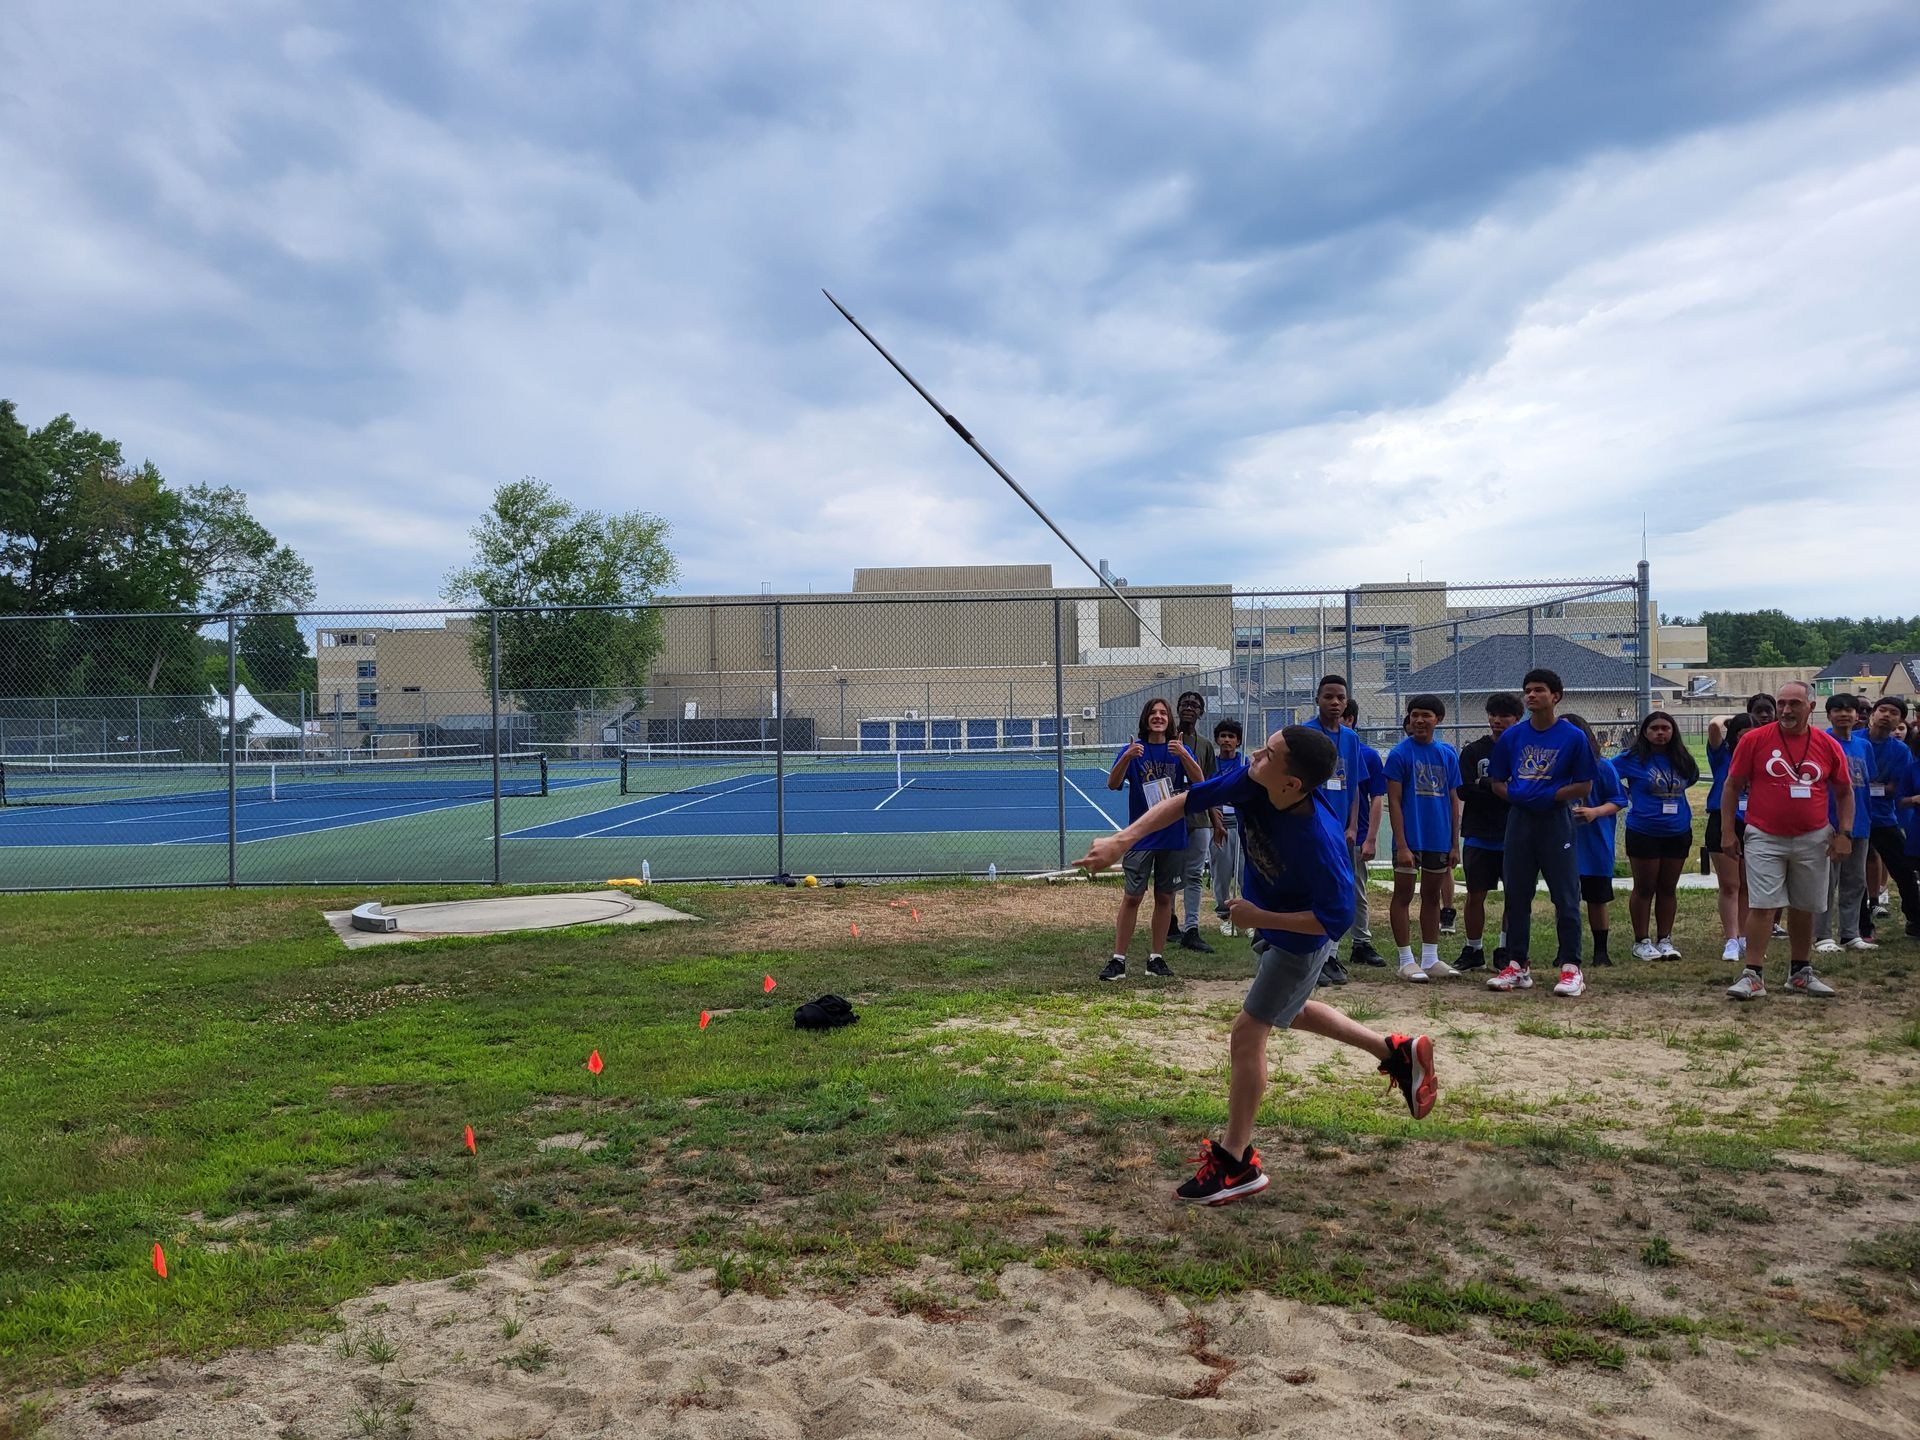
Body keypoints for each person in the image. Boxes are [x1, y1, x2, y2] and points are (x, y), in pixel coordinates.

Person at [1074, 725, 1437, 1206]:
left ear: (1291, 784)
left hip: (1298, 940)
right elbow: (1186, 801)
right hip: (1273, 925)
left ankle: (1235, 1162)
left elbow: (1332, 923)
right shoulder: (1255, 781)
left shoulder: (1321, 842)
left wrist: (1257, 916)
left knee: (1248, 1033)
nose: (1256, 756)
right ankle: (1395, 1051)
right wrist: (1123, 842)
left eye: (1270, 754)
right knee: (1295, 1008)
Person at [1721, 681, 1853, 1000]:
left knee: (1804, 907)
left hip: (1813, 836)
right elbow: (1732, 785)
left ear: (1811, 706)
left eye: (1794, 704)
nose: (1786, 710)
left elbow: (1844, 791)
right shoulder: (1754, 740)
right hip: (1764, 834)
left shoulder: (1827, 744)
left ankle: (1800, 972)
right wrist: (1727, 831)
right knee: (1764, 905)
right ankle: (1753, 975)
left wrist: (1844, 833)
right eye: (1781, 703)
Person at [1487, 669, 1596, 997]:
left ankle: (1571, 967)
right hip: (1520, 821)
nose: (1531, 695)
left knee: (1565, 896)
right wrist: (1518, 797)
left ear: (1556, 696)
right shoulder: (1513, 737)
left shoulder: (1572, 737)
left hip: (1555, 821)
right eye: (1527, 691)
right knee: (1517, 895)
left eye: (1538, 690)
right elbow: (1497, 781)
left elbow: (1584, 784)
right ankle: (1518, 965)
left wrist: (1550, 795)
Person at [1101, 698, 1204, 982]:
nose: (1158, 717)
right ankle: (1118, 960)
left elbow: (1200, 781)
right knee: (1133, 896)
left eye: (1163, 713)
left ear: (1169, 720)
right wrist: (1126, 757)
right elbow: (1112, 784)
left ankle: (1156, 958)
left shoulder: (1179, 749)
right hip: (1142, 836)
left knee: (1164, 897)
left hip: (1172, 835)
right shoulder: (1134, 750)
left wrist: (1184, 755)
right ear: (1146, 719)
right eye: (1153, 713)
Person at [1385, 694, 1463, 982]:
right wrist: (1402, 844)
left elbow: (1453, 800)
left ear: (1438, 720)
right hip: (1411, 840)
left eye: (1426, 715)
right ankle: (1406, 959)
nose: (1420, 720)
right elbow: (1393, 801)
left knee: (1432, 896)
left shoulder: (1447, 754)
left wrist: (1454, 844)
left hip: (1438, 839)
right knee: (1403, 895)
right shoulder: (1399, 755)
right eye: (1415, 714)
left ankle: (1430, 958)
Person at [1612, 710, 1700, 960]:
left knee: (1668, 888)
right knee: (1645, 887)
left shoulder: (1681, 758)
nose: (1660, 733)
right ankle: (1641, 941)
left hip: (1678, 830)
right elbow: (1605, 774)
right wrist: (1626, 793)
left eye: (1665, 728)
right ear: (1645, 732)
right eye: (1654, 728)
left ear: (1673, 732)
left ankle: (1665, 939)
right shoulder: (1632, 758)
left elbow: (1690, 778)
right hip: (1644, 830)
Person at [1305, 676, 1375, 982]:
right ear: (1317, 699)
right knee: (1312, 890)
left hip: (1341, 830)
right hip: (1311, 824)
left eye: (1340, 698)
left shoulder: (1351, 739)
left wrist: (1352, 827)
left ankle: (1329, 956)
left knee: (1339, 890)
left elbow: (1356, 788)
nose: (1334, 703)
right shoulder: (1305, 733)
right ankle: (1310, 958)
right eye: (1328, 697)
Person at [1455, 693, 1521, 972]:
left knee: (1514, 895)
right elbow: (1463, 789)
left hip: (1514, 833)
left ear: (1517, 719)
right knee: (1475, 894)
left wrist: (1488, 785)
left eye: (1504, 716)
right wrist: (1495, 787)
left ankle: (1505, 948)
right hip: (1478, 832)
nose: (1497, 720)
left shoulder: (1522, 749)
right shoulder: (1473, 751)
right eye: (1493, 715)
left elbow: (1523, 791)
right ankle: (1474, 948)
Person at [1705, 699, 1772, 961]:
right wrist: (1735, 718)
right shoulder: (1723, 754)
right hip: (1724, 820)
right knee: (1730, 885)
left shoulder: (1765, 756)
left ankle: (1745, 935)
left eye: (1752, 736)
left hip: (1755, 821)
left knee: (1748, 885)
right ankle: (1731, 939)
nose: (1747, 740)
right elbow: (1713, 725)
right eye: (1742, 736)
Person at [1813, 695, 1875, 954]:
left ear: (1857, 714)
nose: (1844, 714)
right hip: (1829, 823)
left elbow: (1866, 782)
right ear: (1828, 715)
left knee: (1856, 880)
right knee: (1826, 882)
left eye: (1849, 709)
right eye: (1837, 709)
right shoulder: (1822, 742)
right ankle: (1822, 935)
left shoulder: (1864, 746)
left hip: (1859, 823)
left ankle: (1850, 933)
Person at [1566, 714, 1623, 969]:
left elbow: (1618, 800)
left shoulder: (1603, 767)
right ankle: (1565, 949)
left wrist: (1595, 812)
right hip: (1564, 843)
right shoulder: (1555, 768)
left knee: (1597, 898)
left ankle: (1601, 951)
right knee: (1565, 900)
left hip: (1596, 844)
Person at [1862, 698, 1919, 939]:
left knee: (1904, 870)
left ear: (1900, 720)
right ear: (1873, 714)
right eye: (1882, 710)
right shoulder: (1854, 740)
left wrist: (1870, 786)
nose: (1886, 715)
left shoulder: (1900, 750)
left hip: (1884, 817)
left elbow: (1895, 788)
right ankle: (1861, 927)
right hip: (1853, 817)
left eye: (1893, 713)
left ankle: (1915, 920)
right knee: (1853, 875)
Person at [1171, 691, 1222, 956]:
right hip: (1171, 816)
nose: (1189, 708)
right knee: (1169, 873)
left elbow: (1210, 785)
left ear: (1201, 712)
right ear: (1177, 709)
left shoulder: (1204, 746)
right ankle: (1169, 922)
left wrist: (1217, 821)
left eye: (1195, 705)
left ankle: (1192, 928)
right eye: (1185, 704)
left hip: (1199, 817)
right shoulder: (1167, 738)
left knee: (1193, 874)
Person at [1342, 699, 1388, 974]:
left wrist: (1370, 837)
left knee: (1357, 889)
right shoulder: (1321, 750)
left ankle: (1361, 942)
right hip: (1326, 833)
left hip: (1355, 835)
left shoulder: (1368, 755)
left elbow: (1376, 799)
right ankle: (1324, 946)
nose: (1342, 722)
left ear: (1352, 721)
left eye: (1347, 718)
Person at [1209, 718, 1248, 935]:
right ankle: (1224, 915)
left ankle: (1250, 918)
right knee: (1221, 872)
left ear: (1238, 741)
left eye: (1231, 736)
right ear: (1217, 740)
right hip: (1219, 824)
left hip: (1242, 824)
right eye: (1223, 736)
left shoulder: (1245, 763)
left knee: (1245, 872)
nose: (1226, 740)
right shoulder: (1212, 765)